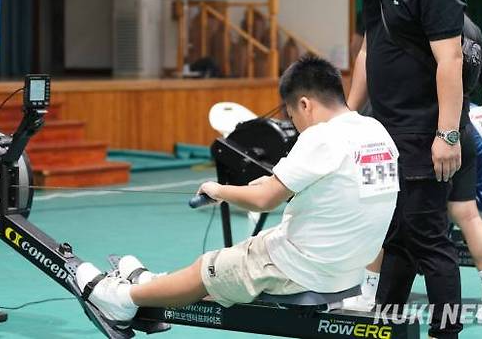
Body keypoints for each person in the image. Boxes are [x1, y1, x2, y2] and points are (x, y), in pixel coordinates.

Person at [73, 56, 399, 328]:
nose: (295, 124)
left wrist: (219, 190)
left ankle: (122, 299)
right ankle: (153, 284)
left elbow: (265, 200)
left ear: (305, 104)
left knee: (208, 268)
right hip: (347, 269)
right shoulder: (374, 130)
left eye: (292, 114)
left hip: (303, 270)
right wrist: (271, 185)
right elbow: (336, 189)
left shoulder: (321, 137)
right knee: (243, 255)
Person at [344, 0, 482, 325]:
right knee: (443, 224)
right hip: (460, 132)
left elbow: (437, 67)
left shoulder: (424, 16)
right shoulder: (470, 28)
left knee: (415, 232)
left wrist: (444, 135)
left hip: (433, 138)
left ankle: (379, 300)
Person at [338, 0, 467, 339]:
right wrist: (347, 116)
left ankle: (445, 332)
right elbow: (369, 51)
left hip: (424, 135)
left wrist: (446, 136)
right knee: (394, 237)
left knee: (430, 240)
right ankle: (385, 326)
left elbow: (450, 61)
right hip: (386, 136)